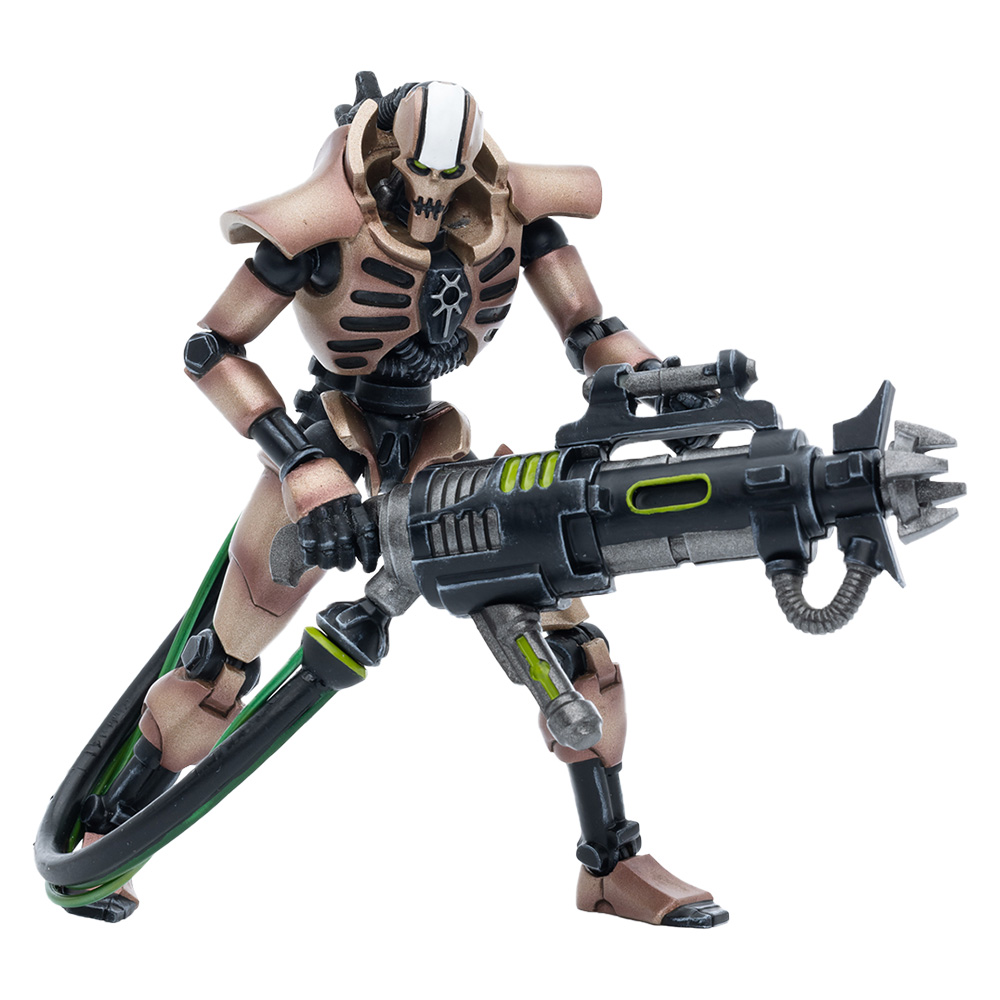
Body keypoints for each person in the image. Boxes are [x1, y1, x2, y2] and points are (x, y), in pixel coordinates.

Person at [76, 73, 727, 928]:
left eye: (449, 183)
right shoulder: (321, 229)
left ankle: (610, 866)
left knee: (576, 649)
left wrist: (657, 387)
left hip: (436, 447)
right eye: (414, 178)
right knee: (223, 662)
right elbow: (213, 346)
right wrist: (300, 464)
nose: (428, 202)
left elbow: (591, 329)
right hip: (329, 443)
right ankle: (109, 834)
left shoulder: (516, 214)